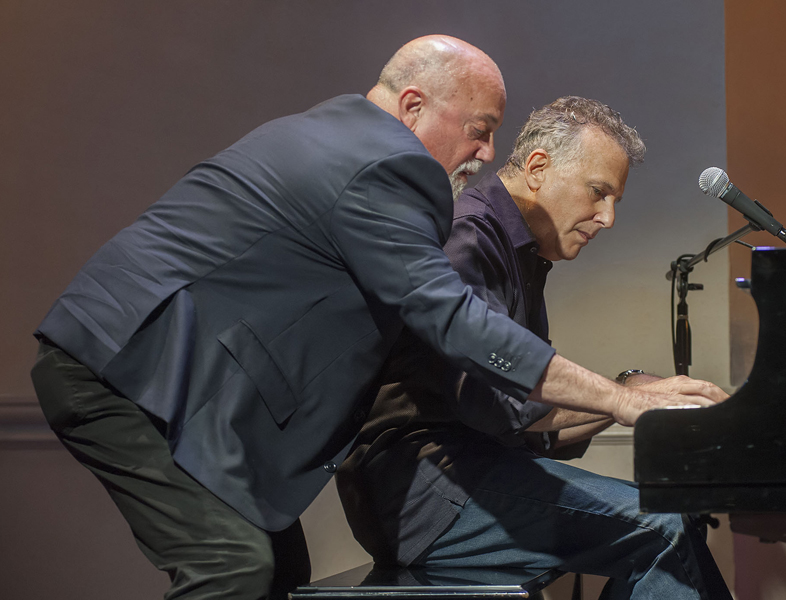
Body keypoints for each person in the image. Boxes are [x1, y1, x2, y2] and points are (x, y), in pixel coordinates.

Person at [30, 33, 727, 599]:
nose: (487, 153)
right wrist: (621, 400)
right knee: (233, 569)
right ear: (414, 105)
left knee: (275, 571)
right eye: (480, 130)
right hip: (119, 361)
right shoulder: (391, 166)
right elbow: (456, 324)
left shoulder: (345, 138)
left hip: (155, 365)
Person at [336, 97, 733, 599]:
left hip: (475, 473)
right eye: (598, 193)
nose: (607, 218)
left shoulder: (521, 251)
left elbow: (530, 427)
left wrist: (629, 392)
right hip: (424, 491)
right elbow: (504, 402)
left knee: (673, 522)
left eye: (615, 201)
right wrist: (624, 398)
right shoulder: (468, 237)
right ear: (539, 167)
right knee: (660, 530)